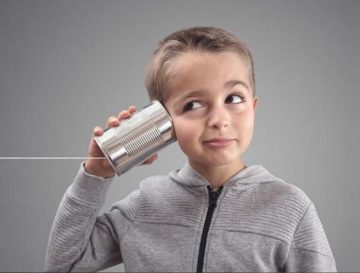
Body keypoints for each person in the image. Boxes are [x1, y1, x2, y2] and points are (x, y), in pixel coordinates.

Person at [45, 26, 337, 272]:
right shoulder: (144, 205)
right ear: (162, 120)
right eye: (193, 105)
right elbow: (64, 263)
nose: (219, 120)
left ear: (254, 107)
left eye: (234, 98)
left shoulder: (290, 208)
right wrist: (96, 174)